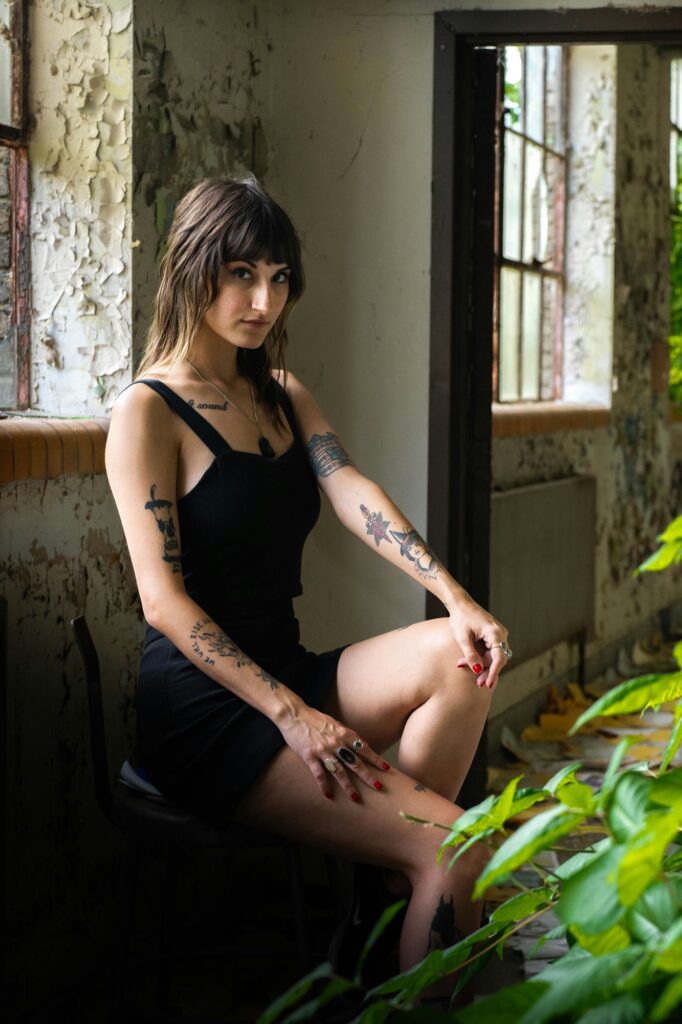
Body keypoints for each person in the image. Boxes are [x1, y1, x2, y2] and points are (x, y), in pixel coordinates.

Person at [105, 175, 511, 1005]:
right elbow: (164, 603)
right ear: (193, 268)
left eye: (280, 278)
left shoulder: (280, 393)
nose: (263, 300)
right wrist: (294, 717)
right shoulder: (147, 412)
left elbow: (349, 488)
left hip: (285, 668)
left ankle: (382, 896)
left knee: (457, 656)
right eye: (242, 274)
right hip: (206, 711)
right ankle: (409, 881)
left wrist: (456, 599)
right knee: (458, 849)